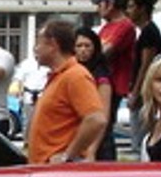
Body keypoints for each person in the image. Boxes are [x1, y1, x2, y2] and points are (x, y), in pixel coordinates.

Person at [26, 20, 106, 164]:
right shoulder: (60, 76)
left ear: (53, 45)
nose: (35, 49)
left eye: (38, 43)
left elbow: (96, 119)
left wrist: (67, 155)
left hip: (58, 172)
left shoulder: (75, 76)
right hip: (45, 168)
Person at [71, 24, 117, 160]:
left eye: (87, 46)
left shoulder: (101, 76)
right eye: (79, 46)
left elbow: (103, 117)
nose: (83, 50)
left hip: (99, 144)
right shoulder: (73, 72)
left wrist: (92, 150)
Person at [124, 0, 161, 106]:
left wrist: (136, 92)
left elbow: (146, 64)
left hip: (144, 93)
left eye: (131, 7)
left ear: (142, 9)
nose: (128, 11)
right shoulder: (144, 31)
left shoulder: (149, 32)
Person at [95, 0, 138, 101]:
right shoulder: (106, 27)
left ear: (110, 5)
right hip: (104, 82)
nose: (97, 9)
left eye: (100, 5)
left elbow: (105, 52)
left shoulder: (125, 26)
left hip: (116, 85)